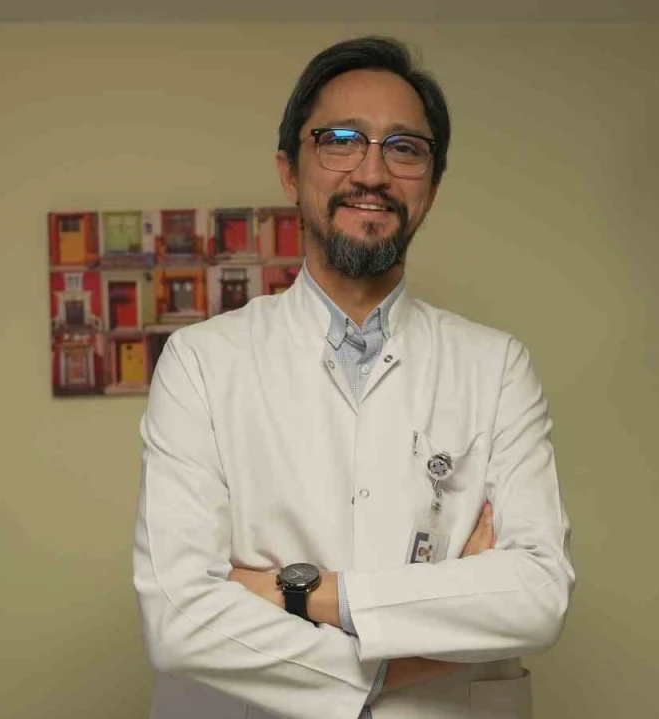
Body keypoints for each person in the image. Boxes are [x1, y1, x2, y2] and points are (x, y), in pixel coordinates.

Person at [132, 35, 576, 719]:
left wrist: (301, 591)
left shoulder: (496, 367)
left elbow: (538, 596)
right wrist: (413, 648)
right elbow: (179, 620)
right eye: (339, 140)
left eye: (405, 148)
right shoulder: (201, 362)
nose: (372, 172)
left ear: (432, 185)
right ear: (289, 171)